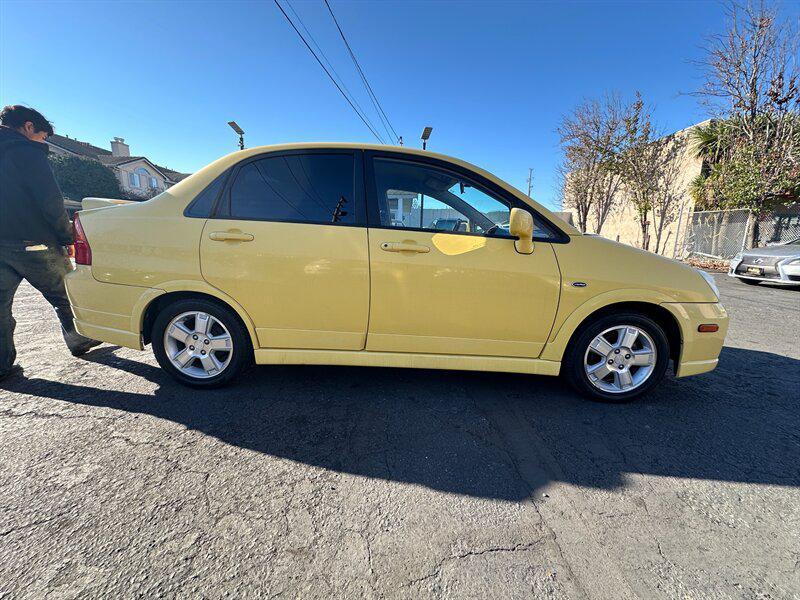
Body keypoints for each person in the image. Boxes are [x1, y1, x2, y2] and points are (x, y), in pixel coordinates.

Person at [0, 105, 100, 381]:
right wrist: (68, 236)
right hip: (33, 241)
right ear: (29, 126)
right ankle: (79, 339)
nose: (42, 142)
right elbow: (50, 200)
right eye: (43, 136)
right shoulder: (26, 152)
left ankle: (1, 366)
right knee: (65, 292)